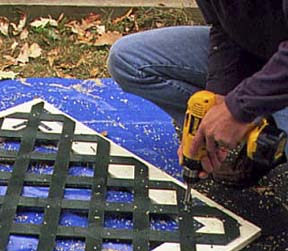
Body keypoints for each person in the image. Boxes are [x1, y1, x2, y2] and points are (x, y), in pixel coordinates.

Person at [107, 1, 288, 186]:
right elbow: (227, 28)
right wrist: (217, 98)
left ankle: (269, 123)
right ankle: (253, 136)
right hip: (266, 56)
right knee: (128, 60)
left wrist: (239, 107)